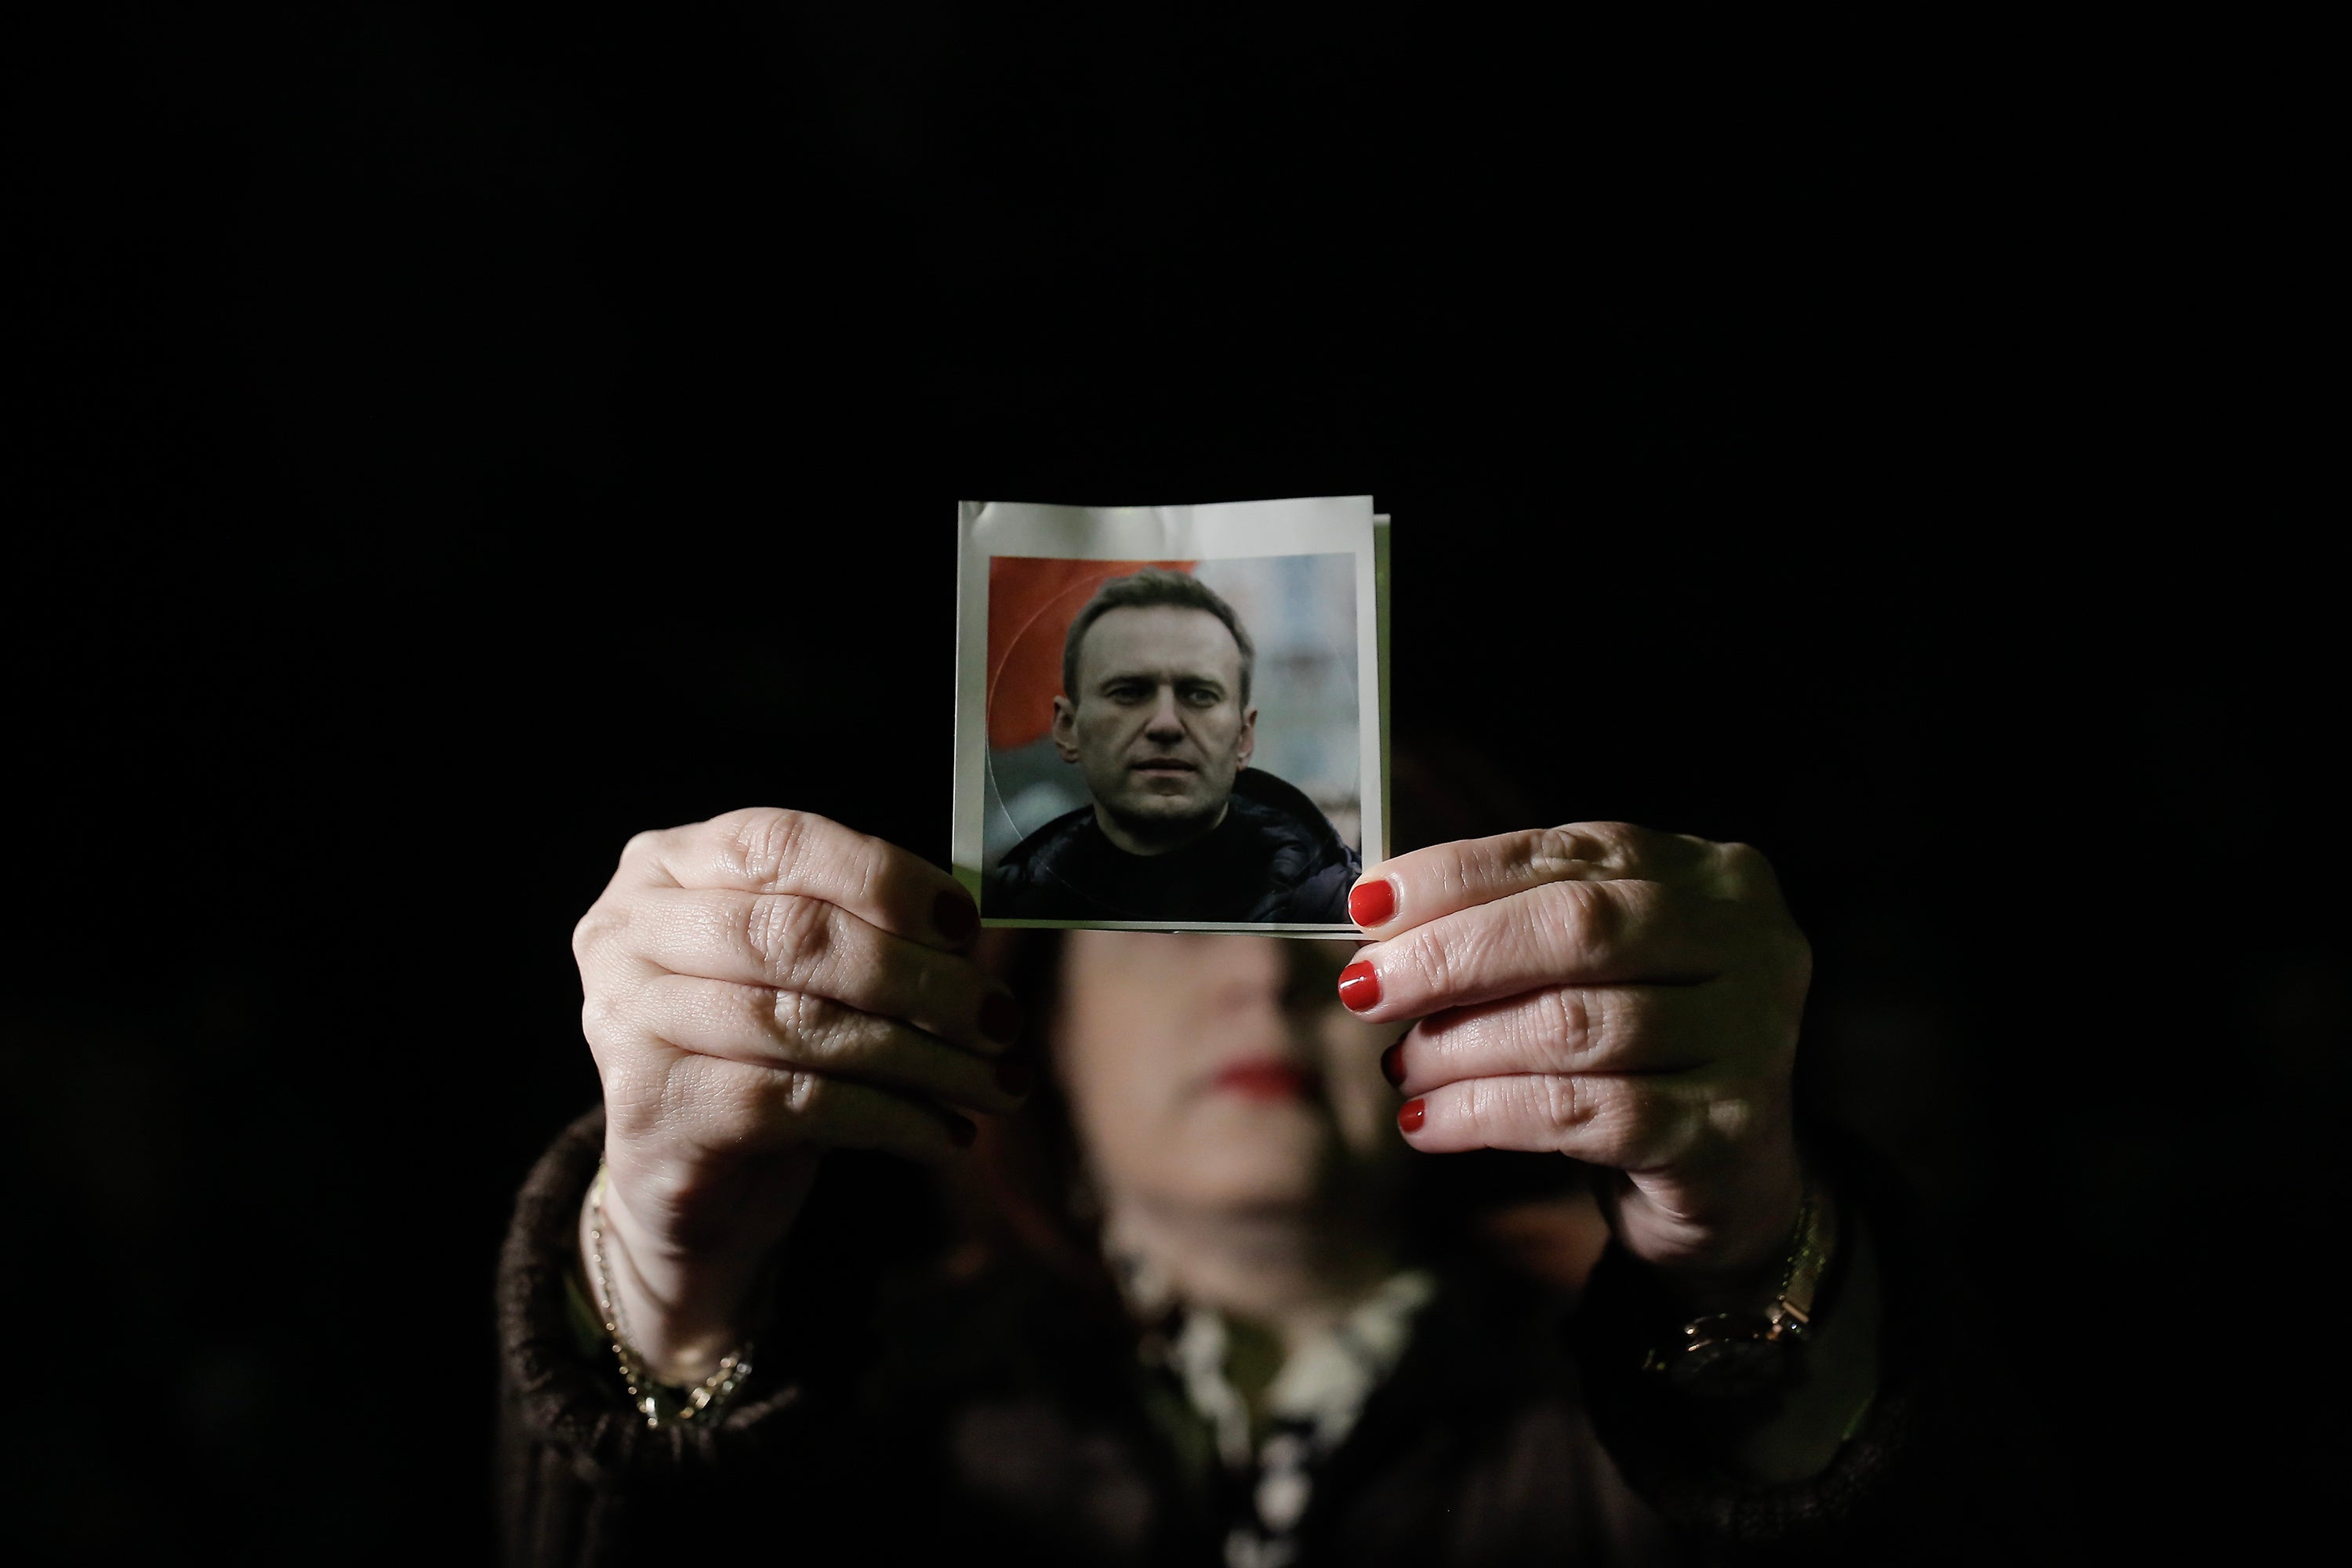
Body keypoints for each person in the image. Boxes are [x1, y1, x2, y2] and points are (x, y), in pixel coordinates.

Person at [501, 800, 2069, 1564]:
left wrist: (1748, 1261)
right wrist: (665, 1270)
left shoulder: (1607, 1437)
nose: (1256, 975)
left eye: (1316, 910)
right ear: (1041, 1010)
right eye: (1168, 917)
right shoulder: (888, 1420)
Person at [984, 568, 1360, 924]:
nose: (1166, 723)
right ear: (1067, 728)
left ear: (1244, 737)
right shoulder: (1008, 901)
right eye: (1129, 692)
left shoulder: (1322, 898)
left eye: (1199, 694)